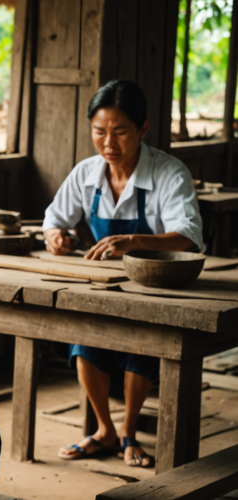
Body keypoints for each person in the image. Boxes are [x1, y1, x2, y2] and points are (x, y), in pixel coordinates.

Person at [47, 80, 203, 468]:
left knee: (140, 346)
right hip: (104, 285)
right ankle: (105, 431)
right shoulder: (86, 173)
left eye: (120, 132)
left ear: (144, 129)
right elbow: (54, 219)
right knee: (84, 340)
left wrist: (134, 241)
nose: (108, 143)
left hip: (155, 288)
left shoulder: (169, 173)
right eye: (99, 131)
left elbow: (189, 236)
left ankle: (130, 431)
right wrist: (57, 237)